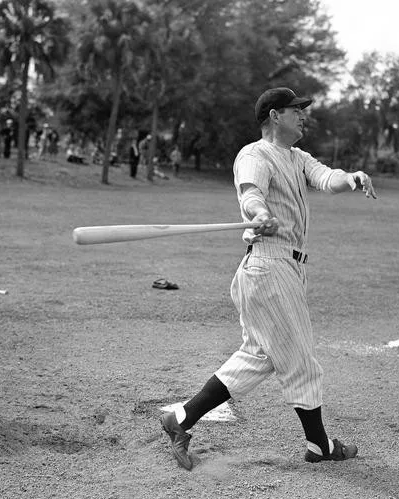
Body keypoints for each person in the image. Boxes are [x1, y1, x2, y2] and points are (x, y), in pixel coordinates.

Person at [159, 87, 378, 470]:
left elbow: (328, 178)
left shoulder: (297, 157)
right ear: (275, 116)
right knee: (301, 362)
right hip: (268, 265)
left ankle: (180, 419)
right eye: (297, 111)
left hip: (284, 269)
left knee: (258, 356)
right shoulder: (255, 154)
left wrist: (353, 178)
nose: (304, 116)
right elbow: (250, 193)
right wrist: (258, 213)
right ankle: (320, 445)